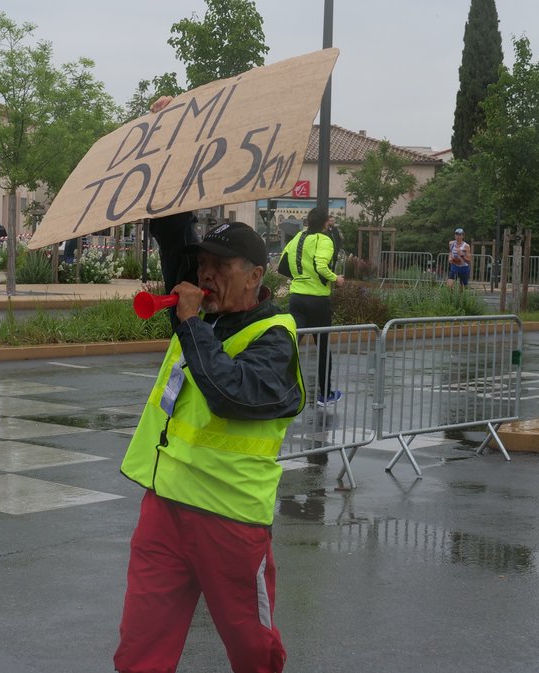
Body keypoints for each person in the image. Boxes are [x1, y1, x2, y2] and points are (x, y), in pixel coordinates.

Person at [115, 99, 305, 673]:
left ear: (254, 275)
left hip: (230, 519)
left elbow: (232, 394)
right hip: (165, 506)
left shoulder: (275, 337)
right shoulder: (198, 307)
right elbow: (172, 226)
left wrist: (193, 324)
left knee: (252, 650)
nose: (205, 275)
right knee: (139, 648)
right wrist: (170, 140)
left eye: (220, 267)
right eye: (202, 265)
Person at [281, 207, 345, 407]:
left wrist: (300, 278)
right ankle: (325, 394)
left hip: (297, 298)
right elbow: (321, 265)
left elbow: (283, 263)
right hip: (317, 300)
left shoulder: (298, 237)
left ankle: (279, 389)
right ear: (326, 222)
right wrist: (336, 279)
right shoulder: (324, 240)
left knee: (291, 346)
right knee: (323, 348)